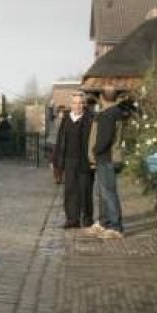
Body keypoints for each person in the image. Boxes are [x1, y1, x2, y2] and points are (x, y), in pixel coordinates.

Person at [87, 88, 135, 239]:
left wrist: (95, 151)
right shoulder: (114, 112)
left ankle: (115, 227)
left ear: (102, 97)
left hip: (107, 158)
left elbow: (105, 139)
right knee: (102, 192)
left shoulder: (109, 114)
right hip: (106, 157)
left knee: (108, 193)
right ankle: (103, 222)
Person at [52, 94, 93, 229]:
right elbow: (60, 141)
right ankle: (72, 219)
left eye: (81, 103)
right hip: (69, 160)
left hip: (85, 160)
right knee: (70, 190)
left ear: (84, 105)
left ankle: (87, 218)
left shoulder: (90, 119)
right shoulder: (66, 120)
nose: (78, 106)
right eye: (75, 103)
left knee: (85, 190)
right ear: (72, 104)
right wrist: (57, 161)